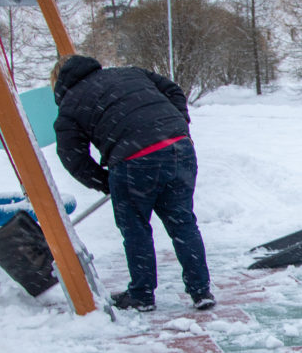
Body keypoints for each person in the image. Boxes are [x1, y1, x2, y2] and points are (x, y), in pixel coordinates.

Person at [51, 55, 214, 313]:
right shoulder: (130, 72)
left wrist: (105, 182)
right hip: (178, 149)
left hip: (134, 160)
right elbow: (173, 90)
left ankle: (142, 295)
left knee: (135, 229)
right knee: (183, 222)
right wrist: (180, 125)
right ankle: (201, 290)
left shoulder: (70, 105)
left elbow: (73, 158)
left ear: (57, 82)